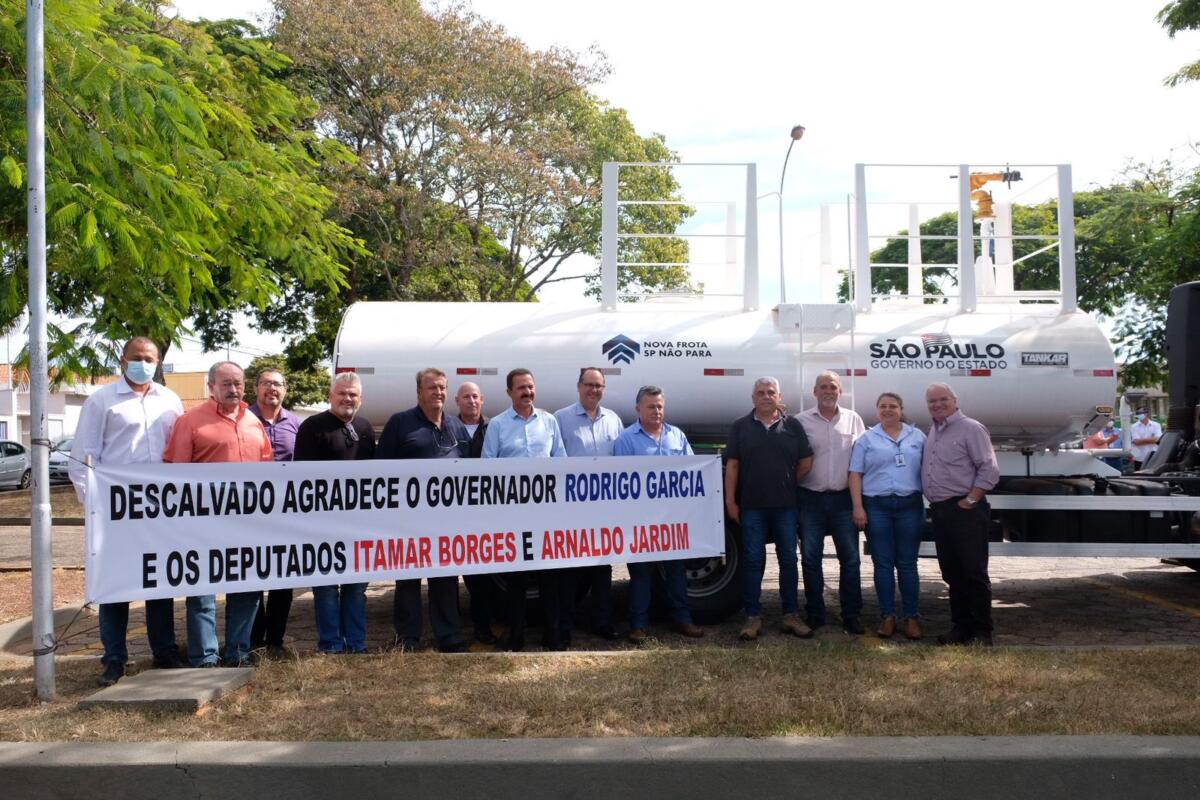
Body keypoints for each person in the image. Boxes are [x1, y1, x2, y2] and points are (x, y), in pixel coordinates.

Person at [70, 336, 185, 686]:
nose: (143, 363)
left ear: (158, 362)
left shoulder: (171, 400)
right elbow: (82, 458)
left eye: (150, 358)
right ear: (122, 361)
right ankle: (114, 658)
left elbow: (179, 452)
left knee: (160, 582)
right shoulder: (102, 401)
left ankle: (164, 651)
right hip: (116, 511)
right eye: (137, 357)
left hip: (161, 509)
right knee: (116, 586)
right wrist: (96, 507)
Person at [163, 361, 272, 667]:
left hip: (248, 524)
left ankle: (238, 652)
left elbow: (268, 473)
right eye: (226, 384)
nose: (233, 389)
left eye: (238, 383)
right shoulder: (190, 422)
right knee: (202, 594)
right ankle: (205, 657)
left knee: (247, 590)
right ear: (211, 387)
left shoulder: (254, 422)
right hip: (202, 524)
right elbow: (175, 476)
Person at [377, 368, 471, 653]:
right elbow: (380, 469)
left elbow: (468, 471)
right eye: (432, 388)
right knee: (408, 579)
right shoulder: (400, 423)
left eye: (442, 387)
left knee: (445, 579)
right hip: (408, 520)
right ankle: (408, 638)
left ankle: (449, 635)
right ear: (419, 392)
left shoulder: (455, 426)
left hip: (447, 520)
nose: (438, 393)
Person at [482, 368, 567, 651]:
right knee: (516, 579)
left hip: (546, 514)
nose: (527, 392)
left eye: (530, 386)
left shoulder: (550, 421)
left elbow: (561, 462)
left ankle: (552, 636)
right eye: (521, 388)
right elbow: (487, 465)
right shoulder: (496, 425)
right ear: (509, 392)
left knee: (550, 577)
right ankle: (516, 636)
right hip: (512, 515)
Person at [724, 376, 814, 641]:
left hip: (786, 507)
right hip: (751, 508)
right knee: (753, 562)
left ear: (779, 396)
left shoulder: (793, 425)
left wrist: (786, 482)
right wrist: (730, 501)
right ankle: (752, 616)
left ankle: (790, 615)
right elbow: (732, 466)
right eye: (760, 392)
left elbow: (806, 462)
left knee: (788, 560)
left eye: (770, 392)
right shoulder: (740, 427)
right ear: (753, 398)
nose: (765, 396)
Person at [614, 385, 704, 644]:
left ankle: (683, 620)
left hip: (672, 520)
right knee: (642, 573)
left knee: (676, 571)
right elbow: (620, 482)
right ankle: (638, 625)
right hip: (641, 520)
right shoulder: (626, 440)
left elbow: (691, 473)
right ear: (638, 409)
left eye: (660, 406)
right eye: (651, 406)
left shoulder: (677, 436)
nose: (656, 411)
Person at [295, 372, 376, 653]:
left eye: (353, 394)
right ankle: (330, 644)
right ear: (330, 396)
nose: (347, 398)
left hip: (359, 524)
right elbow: (301, 479)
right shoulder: (312, 427)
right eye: (342, 393)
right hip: (323, 524)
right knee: (326, 588)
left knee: (356, 587)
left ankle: (357, 643)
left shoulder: (365, 428)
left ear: (361, 399)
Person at [922, 383, 1000, 647]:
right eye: (932, 401)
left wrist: (970, 500)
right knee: (952, 573)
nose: (937, 404)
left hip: (964, 510)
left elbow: (989, 469)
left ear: (954, 401)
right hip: (941, 511)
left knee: (973, 572)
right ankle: (961, 627)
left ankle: (981, 631)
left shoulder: (971, 428)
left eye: (942, 399)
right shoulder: (934, 430)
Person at [848, 392, 927, 640]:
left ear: (901, 410)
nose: (888, 410)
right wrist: (858, 507)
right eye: (883, 406)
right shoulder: (867, 439)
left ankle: (911, 618)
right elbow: (854, 474)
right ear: (877, 410)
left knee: (907, 564)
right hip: (877, 506)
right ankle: (888, 617)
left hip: (909, 505)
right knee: (883, 565)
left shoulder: (918, 437)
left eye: (893, 406)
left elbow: (931, 467)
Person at [555, 367, 625, 641]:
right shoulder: (561, 418)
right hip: (572, 507)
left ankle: (601, 622)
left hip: (604, 508)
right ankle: (566, 625)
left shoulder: (614, 420)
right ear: (578, 386)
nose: (594, 390)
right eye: (589, 384)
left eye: (599, 385)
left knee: (602, 568)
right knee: (569, 568)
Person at [796, 371, 866, 634]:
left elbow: (860, 462)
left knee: (850, 559)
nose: (828, 391)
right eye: (823, 387)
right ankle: (815, 612)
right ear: (814, 392)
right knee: (811, 558)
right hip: (810, 499)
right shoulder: (800, 422)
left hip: (843, 500)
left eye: (833, 387)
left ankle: (851, 614)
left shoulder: (853, 420)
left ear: (841, 391)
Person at [248, 368, 301, 655]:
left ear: (285, 389)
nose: (273, 388)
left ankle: (276, 640)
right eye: (267, 383)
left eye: (278, 384)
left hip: (286, 512)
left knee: (284, 575)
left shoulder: (295, 423)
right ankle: (255, 639)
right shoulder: (243, 420)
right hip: (250, 512)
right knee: (253, 575)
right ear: (256, 388)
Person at [455, 381, 496, 644]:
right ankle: (451, 631)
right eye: (466, 397)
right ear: (457, 401)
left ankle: (483, 626)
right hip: (455, 510)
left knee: (482, 576)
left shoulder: (495, 427)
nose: (471, 401)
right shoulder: (447, 427)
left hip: (486, 512)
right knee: (450, 574)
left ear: (483, 400)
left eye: (475, 397)